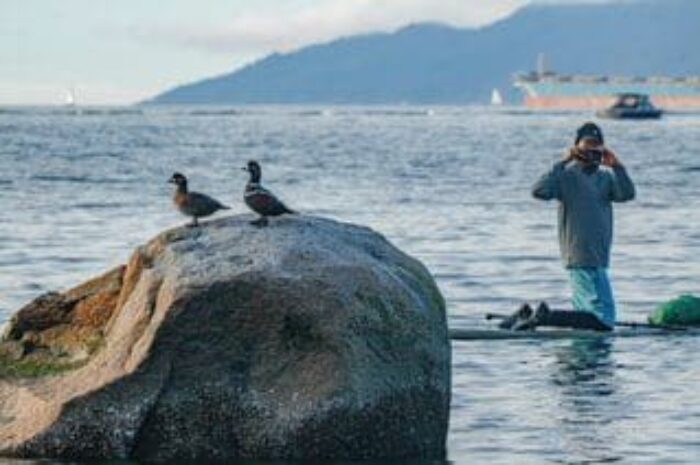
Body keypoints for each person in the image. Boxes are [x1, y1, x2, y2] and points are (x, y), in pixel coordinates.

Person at [530, 122, 636, 330]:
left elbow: (627, 194)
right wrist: (564, 161)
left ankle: (536, 316)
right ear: (577, 147)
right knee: (603, 318)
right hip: (579, 254)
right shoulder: (566, 176)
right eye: (587, 145)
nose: (592, 150)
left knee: (589, 315)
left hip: (599, 255)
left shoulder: (605, 178)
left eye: (597, 145)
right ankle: (547, 317)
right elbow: (539, 191)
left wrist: (618, 167)